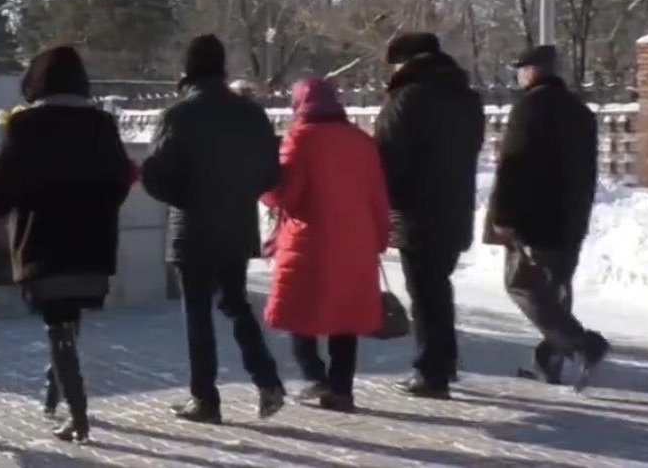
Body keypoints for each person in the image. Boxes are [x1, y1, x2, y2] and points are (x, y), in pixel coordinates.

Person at [0, 46, 134, 444]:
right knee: (67, 320)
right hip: (92, 242)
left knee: (58, 324)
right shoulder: (102, 124)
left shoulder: (25, 126)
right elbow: (122, 175)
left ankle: (78, 414)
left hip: (43, 243)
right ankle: (56, 392)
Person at [142, 34, 286, 424]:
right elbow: (270, 171)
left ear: (187, 70)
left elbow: (154, 174)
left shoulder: (179, 115)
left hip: (193, 228)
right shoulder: (251, 114)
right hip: (236, 224)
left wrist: (185, 197)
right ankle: (267, 378)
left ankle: (205, 398)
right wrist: (239, 194)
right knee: (236, 304)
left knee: (198, 315)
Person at [261, 78, 391, 413]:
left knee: (298, 310)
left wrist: (265, 188)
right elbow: (377, 197)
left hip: (310, 242)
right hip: (357, 241)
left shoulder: (300, 139)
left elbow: (285, 196)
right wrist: (379, 237)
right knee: (345, 317)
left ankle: (313, 374)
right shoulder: (362, 142)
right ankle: (341, 390)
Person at [487, 45, 609, 387]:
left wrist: (504, 214)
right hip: (571, 216)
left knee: (522, 285)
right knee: (556, 289)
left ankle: (581, 344)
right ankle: (549, 361)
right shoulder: (579, 111)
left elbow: (514, 165)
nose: (519, 76)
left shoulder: (529, 108)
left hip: (534, 218)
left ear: (532, 72)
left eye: (521, 69)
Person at [374, 32, 485, 400]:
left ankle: (431, 371)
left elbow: (388, 158)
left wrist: (381, 203)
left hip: (416, 210)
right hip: (455, 208)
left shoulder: (406, 98)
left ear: (405, 61)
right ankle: (444, 361)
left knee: (424, 292)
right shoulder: (466, 99)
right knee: (439, 286)